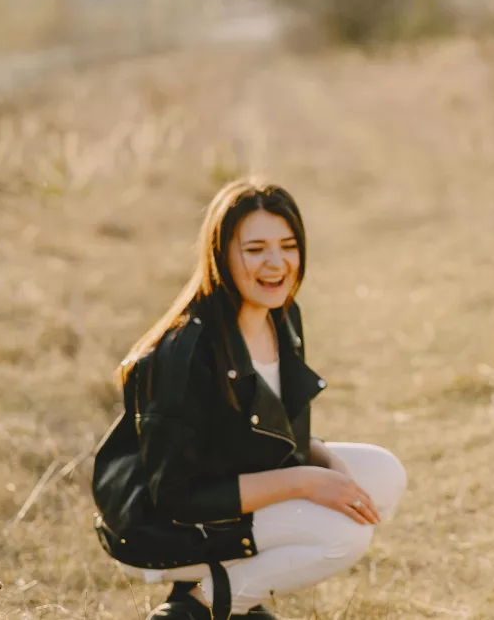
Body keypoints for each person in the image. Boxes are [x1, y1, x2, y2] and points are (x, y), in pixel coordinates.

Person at [91, 178, 407, 620]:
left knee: (384, 474)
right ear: (221, 255)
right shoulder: (187, 351)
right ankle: (199, 604)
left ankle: (238, 593)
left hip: (236, 482)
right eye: (255, 249)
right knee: (344, 536)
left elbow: (272, 430)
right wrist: (307, 482)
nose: (276, 263)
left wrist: (330, 469)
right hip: (163, 525)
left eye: (288, 245)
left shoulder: (282, 316)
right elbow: (176, 497)